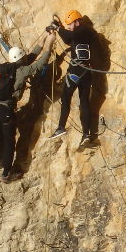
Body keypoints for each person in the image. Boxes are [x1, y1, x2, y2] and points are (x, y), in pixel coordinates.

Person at [0, 31, 56, 183]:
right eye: (23, 57)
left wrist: (45, 36)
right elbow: (40, 63)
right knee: (9, 142)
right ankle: (6, 174)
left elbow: (31, 56)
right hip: (7, 111)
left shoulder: (6, 67)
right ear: (21, 59)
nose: (25, 58)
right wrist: (50, 43)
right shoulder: (22, 71)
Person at [47, 9, 97, 148]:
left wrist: (58, 28)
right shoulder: (85, 33)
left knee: (66, 97)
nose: (69, 26)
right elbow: (69, 38)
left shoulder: (83, 30)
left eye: (70, 24)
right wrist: (59, 28)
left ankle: (61, 127)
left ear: (77, 21)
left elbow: (71, 36)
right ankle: (86, 134)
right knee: (84, 101)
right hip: (87, 72)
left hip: (76, 70)